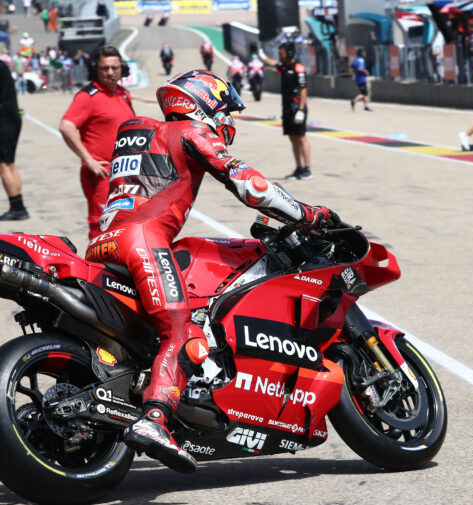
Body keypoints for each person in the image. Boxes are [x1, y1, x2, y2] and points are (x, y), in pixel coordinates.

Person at [85, 69, 337, 473]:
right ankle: (155, 419)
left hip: (102, 242)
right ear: (207, 103)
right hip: (143, 240)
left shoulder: (134, 130)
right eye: (226, 109)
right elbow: (252, 187)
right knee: (181, 329)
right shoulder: (190, 132)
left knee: (151, 331)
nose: (228, 119)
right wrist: (308, 213)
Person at [59, 45, 135, 241]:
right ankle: (96, 270)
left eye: (115, 67)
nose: (110, 72)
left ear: (122, 69)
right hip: (100, 174)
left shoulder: (124, 93)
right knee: (101, 226)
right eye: (104, 68)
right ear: (96, 69)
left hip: (124, 173)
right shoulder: (87, 96)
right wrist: (89, 160)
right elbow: (66, 127)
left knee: (124, 225)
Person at [258, 42, 312, 180]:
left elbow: (303, 89)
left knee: (301, 137)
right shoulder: (284, 67)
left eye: (281, 53)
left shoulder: (298, 68)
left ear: (289, 54)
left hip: (297, 107)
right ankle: (299, 168)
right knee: (292, 138)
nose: (279, 56)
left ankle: (307, 169)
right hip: (287, 107)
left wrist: (301, 109)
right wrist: (263, 57)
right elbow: (273, 63)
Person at [0, 60, 29, 220]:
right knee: (9, 164)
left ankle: (16, 208)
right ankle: (18, 204)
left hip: (4, 120)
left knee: (4, 165)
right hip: (11, 118)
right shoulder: (2, 65)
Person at [349, 48, 371, 112]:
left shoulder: (356, 59)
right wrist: (365, 71)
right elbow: (359, 68)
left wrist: (353, 73)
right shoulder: (361, 60)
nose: (365, 53)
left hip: (358, 79)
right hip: (361, 79)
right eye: (363, 52)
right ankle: (353, 101)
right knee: (364, 93)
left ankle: (366, 107)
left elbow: (351, 66)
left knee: (365, 94)